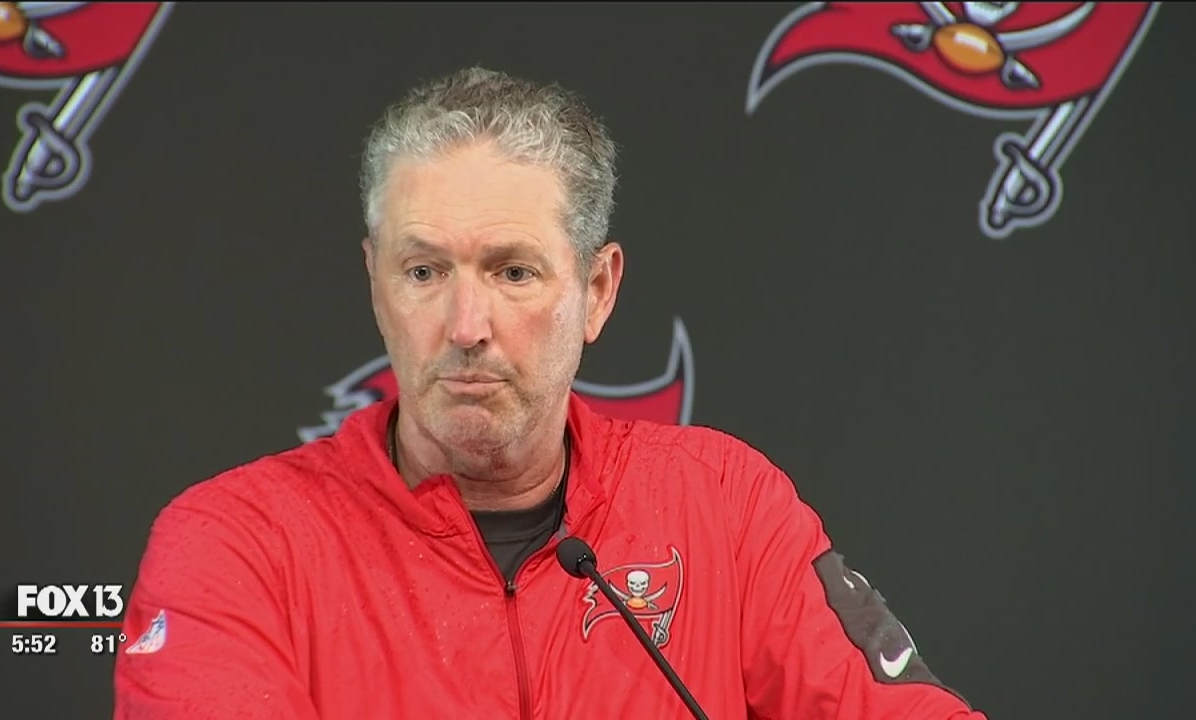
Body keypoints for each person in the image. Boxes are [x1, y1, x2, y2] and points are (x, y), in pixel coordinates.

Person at [112, 66, 988, 720]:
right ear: (375, 284)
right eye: (424, 271)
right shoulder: (235, 545)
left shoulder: (723, 505)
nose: (465, 326)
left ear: (597, 292)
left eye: (513, 272)